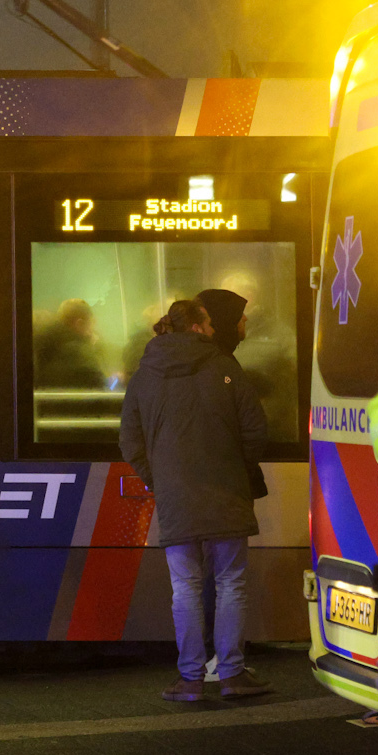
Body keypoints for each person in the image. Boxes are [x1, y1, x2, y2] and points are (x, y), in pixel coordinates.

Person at [119, 296, 270, 703]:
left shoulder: (144, 375)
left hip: (176, 500)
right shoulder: (225, 367)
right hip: (227, 494)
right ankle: (232, 673)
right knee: (230, 582)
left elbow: (130, 441)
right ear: (199, 327)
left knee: (185, 587)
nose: (216, 331)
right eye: (210, 324)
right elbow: (255, 430)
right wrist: (235, 471)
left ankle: (190, 679)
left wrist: (160, 479)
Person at [33, 298, 106, 390]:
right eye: (92, 322)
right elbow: (99, 387)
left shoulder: (43, 345)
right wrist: (90, 349)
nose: (93, 329)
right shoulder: (79, 354)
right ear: (79, 324)